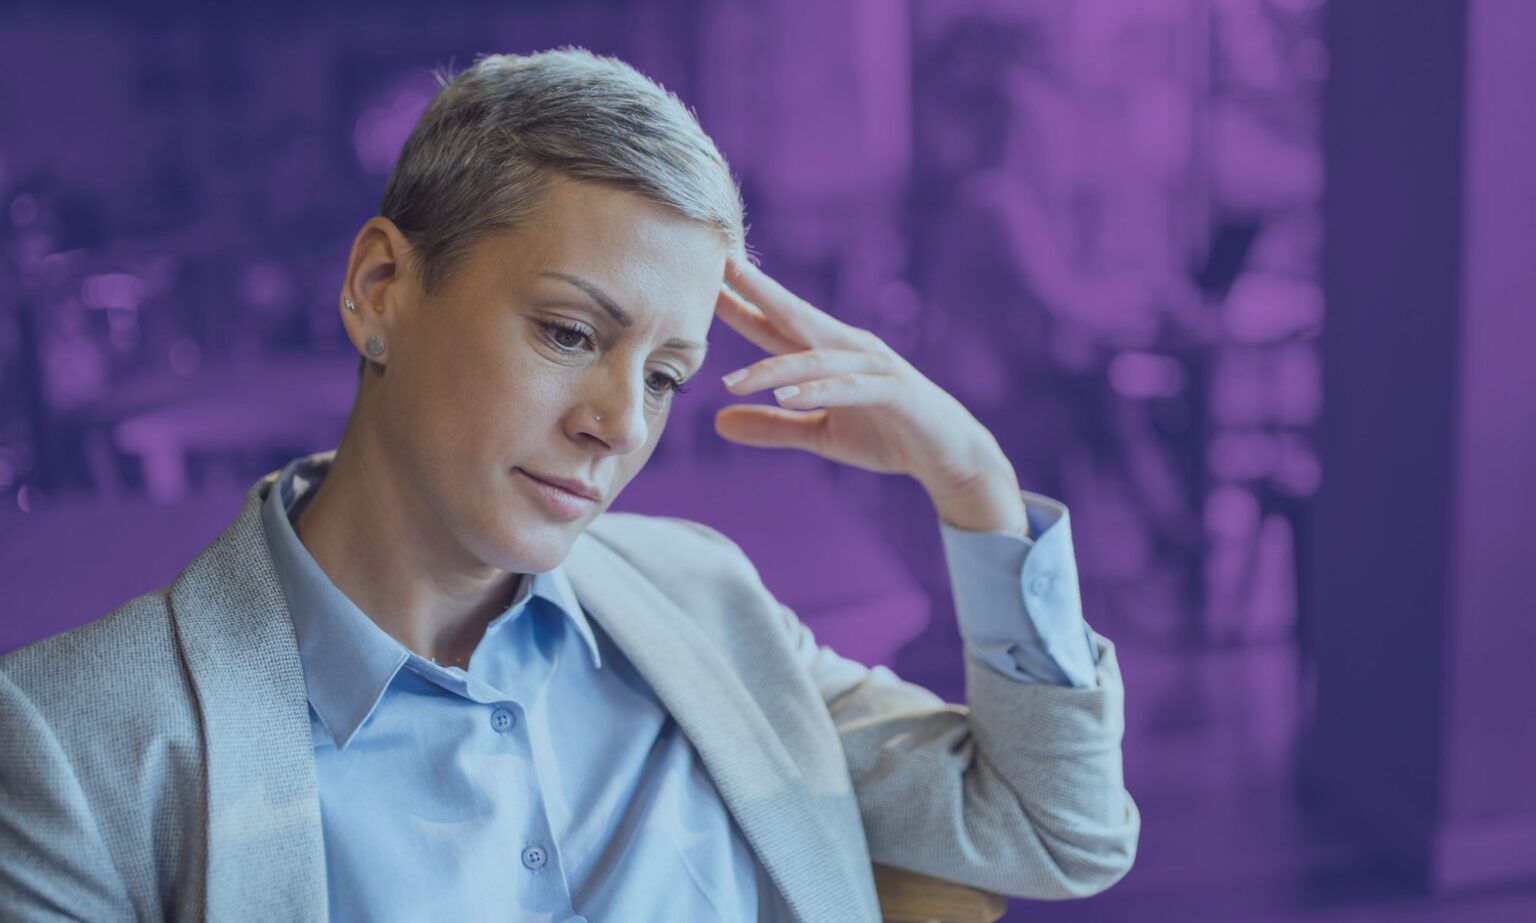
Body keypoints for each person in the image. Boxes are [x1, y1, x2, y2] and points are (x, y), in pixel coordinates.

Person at [0, 48, 1139, 922]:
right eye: (566, 330)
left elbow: (1057, 827)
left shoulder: (707, 602)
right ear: (381, 286)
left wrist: (975, 481)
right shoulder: (70, 745)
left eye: (667, 376)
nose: (618, 423)